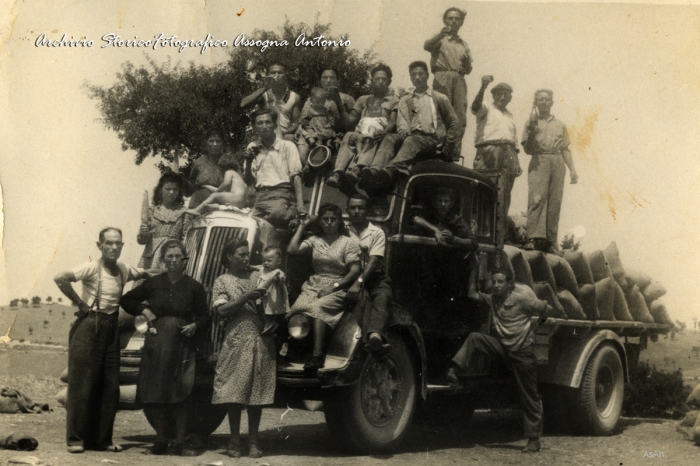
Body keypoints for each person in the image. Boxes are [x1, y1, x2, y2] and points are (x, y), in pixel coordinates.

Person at [53, 227, 153, 454]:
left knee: (110, 387)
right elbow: (60, 277)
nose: (114, 247)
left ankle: (103, 440)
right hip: (90, 326)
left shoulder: (123, 269)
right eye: (109, 243)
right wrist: (80, 304)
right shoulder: (91, 267)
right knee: (82, 385)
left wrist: (167, 270)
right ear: (99, 246)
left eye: (118, 243)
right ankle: (76, 440)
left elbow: (145, 273)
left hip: (111, 327)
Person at [447, 255, 551, 453]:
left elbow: (545, 308)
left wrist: (536, 327)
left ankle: (534, 440)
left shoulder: (522, 299)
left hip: (522, 352)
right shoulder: (493, 298)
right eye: (494, 282)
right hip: (502, 348)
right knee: (475, 338)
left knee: (529, 395)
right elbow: (471, 294)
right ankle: (454, 371)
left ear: (509, 284)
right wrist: (474, 269)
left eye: (500, 282)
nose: (495, 286)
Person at [119, 240, 210, 456]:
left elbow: (206, 316)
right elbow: (126, 299)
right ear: (163, 259)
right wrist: (144, 310)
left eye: (178, 256)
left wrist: (195, 325)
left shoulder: (194, 287)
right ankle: (160, 441)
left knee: (181, 392)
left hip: (182, 345)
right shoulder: (153, 283)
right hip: (157, 342)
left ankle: (179, 442)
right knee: (157, 392)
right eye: (169, 256)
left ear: (184, 260)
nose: (173, 260)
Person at [211, 238, 278, 459]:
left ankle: (253, 441)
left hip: (260, 339)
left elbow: (276, 295)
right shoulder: (222, 281)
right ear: (229, 256)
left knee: (255, 394)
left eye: (248, 254)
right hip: (237, 340)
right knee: (234, 393)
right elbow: (223, 311)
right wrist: (247, 296)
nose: (247, 258)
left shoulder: (257, 275)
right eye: (241, 254)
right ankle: (234, 440)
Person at [287, 203, 362, 370]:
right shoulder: (315, 240)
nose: (329, 222)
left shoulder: (347, 243)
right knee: (299, 308)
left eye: (333, 219)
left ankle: (317, 355)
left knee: (319, 308)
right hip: (315, 284)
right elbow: (292, 249)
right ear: (320, 221)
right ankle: (296, 349)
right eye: (325, 219)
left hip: (339, 286)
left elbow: (355, 270)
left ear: (339, 222)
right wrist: (303, 225)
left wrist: (333, 287)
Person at [375, 61, 460, 192]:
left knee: (412, 140)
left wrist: (448, 143)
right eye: (413, 75)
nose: (417, 77)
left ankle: (391, 169)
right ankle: (375, 170)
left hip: (431, 139)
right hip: (411, 137)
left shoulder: (439, 98)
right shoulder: (406, 100)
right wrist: (403, 130)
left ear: (427, 76)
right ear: (410, 77)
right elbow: (403, 119)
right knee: (390, 138)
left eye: (421, 74)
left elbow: (453, 121)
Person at [521, 89, 578, 254]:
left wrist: (572, 169)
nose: (544, 103)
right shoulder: (530, 122)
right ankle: (532, 238)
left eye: (546, 100)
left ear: (552, 102)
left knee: (555, 202)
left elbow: (565, 148)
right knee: (537, 199)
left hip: (557, 161)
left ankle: (551, 241)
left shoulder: (560, 124)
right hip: (539, 160)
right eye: (540, 100)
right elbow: (527, 149)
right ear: (535, 103)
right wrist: (532, 134)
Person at [326, 64, 400, 191]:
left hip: (378, 135)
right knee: (349, 135)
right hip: (361, 132)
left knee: (371, 137)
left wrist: (384, 132)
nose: (380, 82)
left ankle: (357, 170)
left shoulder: (394, 101)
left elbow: (393, 122)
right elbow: (350, 122)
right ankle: (338, 173)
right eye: (377, 79)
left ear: (389, 82)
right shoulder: (363, 99)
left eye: (384, 79)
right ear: (372, 81)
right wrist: (339, 103)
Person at [471, 75, 522, 246]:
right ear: (493, 95)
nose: (502, 98)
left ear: (509, 98)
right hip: (488, 152)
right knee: (483, 191)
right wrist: (483, 86)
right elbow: (474, 106)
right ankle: (479, 234)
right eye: (499, 94)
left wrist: (517, 161)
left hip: (508, 155)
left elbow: (513, 141)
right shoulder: (486, 108)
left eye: (506, 95)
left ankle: (500, 237)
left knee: (504, 196)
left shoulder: (510, 116)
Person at [243, 108, 306, 228]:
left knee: (276, 216)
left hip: (281, 194)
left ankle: (291, 212)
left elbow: (296, 176)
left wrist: (300, 204)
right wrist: (248, 161)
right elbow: (248, 181)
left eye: (268, 122)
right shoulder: (252, 147)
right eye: (260, 123)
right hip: (260, 196)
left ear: (275, 125)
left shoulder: (287, 146)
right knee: (246, 222)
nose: (264, 126)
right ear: (255, 127)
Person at [345, 194, 392, 352]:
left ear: (367, 210)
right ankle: (370, 340)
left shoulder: (377, 232)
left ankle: (375, 335)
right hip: (352, 277)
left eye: (361, 207)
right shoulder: (344, 231)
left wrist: (358, 283)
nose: (356, 211)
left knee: (382, 297)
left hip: (375, 277)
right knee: (362, 299)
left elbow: (373, 261)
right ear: (347, 210)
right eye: (353, 208)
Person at [424, 7, 473, 159]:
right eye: (450, 18)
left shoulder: (463, 44)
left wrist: (466, 63)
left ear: (461, 22)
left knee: (459, 117)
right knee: (441, 114)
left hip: (459, 78)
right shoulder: (440, 39)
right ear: (445, 20)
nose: (453, 21)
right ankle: (438, 150)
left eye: (457, 18)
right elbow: (426, 46)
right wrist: (440, 34)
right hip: (442, 75)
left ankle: (452, 153)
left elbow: (469, 69)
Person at [137, 172, 190, 281]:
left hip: (173, 257)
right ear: (160, 189)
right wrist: (143, 234)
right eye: (168, 189)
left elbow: (186, 238)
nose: (171, 192)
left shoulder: (184, 212)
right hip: (152, 258)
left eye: (175, 189)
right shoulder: (152, 210)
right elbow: (142, 241)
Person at [240, 62, 301, 142]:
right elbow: (243, 104)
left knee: (291, 139)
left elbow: (295, 123)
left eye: (280, 72)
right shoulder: (263, 95)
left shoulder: (294, 97)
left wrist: (284, 133)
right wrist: (265, 87)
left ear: (285, 76)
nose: (276, 75)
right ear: (268, 76)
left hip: (285, 135)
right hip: (266, 134)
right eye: (273, 73)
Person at [411, 186, 477, 248]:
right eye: (439, 201)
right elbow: (414, 218)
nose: (443, 204)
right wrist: (435, 230)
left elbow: (473, 243)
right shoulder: (427, 216)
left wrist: (454, 238)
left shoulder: (456, 220)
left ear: (451, 204)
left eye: (446, 201)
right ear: (434, 203)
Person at [296, 87, 339, 167]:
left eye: (322, 102)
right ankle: (313, 145)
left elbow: (332, 119)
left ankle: (328, 142)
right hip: (313, 129)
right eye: (317, 102)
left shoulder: (326, 109)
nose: (320, 104)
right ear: (312, 101)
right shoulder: (310, 108)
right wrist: (306, 125)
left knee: (329, 135)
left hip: (324, 128)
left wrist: (331, 122)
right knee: (310, 135)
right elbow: (304, 120)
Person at [188, 128, 227, 208]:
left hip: (222, 205)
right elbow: (191, 185)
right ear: (206, 144)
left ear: (223, 144)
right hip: (199, 204)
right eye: (211, 141)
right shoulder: (198, 163)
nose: (215, 144)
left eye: (218, 141)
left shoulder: (229, 163)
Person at [256, 246, 290, 336]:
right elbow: (258, 267)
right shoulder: (263, 269)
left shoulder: (278, 272)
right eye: (264, 260)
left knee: (269, 311)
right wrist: (251, 267)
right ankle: (268, 323)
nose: (265, 263)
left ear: (278, 261)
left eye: (269, 261)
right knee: (261, 309)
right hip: (264, 295)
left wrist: (276, 279)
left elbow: (281, 279)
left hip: (273, 296)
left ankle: (270, 323)